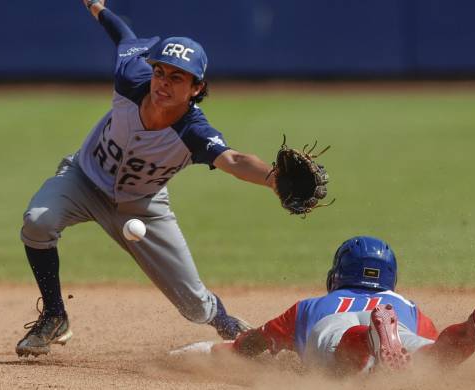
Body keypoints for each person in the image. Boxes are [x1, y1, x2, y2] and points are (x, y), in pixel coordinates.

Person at [15, 0, 279, 357]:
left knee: (194, 306)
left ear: (197, 88)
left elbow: (233, 159)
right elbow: (124, 35)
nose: (164, 83)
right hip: (83, 179)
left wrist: (274, 179)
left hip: (143, 206)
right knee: (37, 222)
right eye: (160, 72)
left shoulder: (193, 131)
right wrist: (97, 7)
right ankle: (54, 316)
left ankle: (228, 324)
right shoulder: (130, 77)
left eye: (177, 77)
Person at [210, 236, 475, 379]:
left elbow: (254, 344)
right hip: (397, 325)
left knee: (337, 353)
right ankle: (474, 330)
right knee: (432, 358)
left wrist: (234, 350)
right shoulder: (406, 305)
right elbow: (439, 352)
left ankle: (370, 338)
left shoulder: (313, 305)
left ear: (338, 273)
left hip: (342, 325)